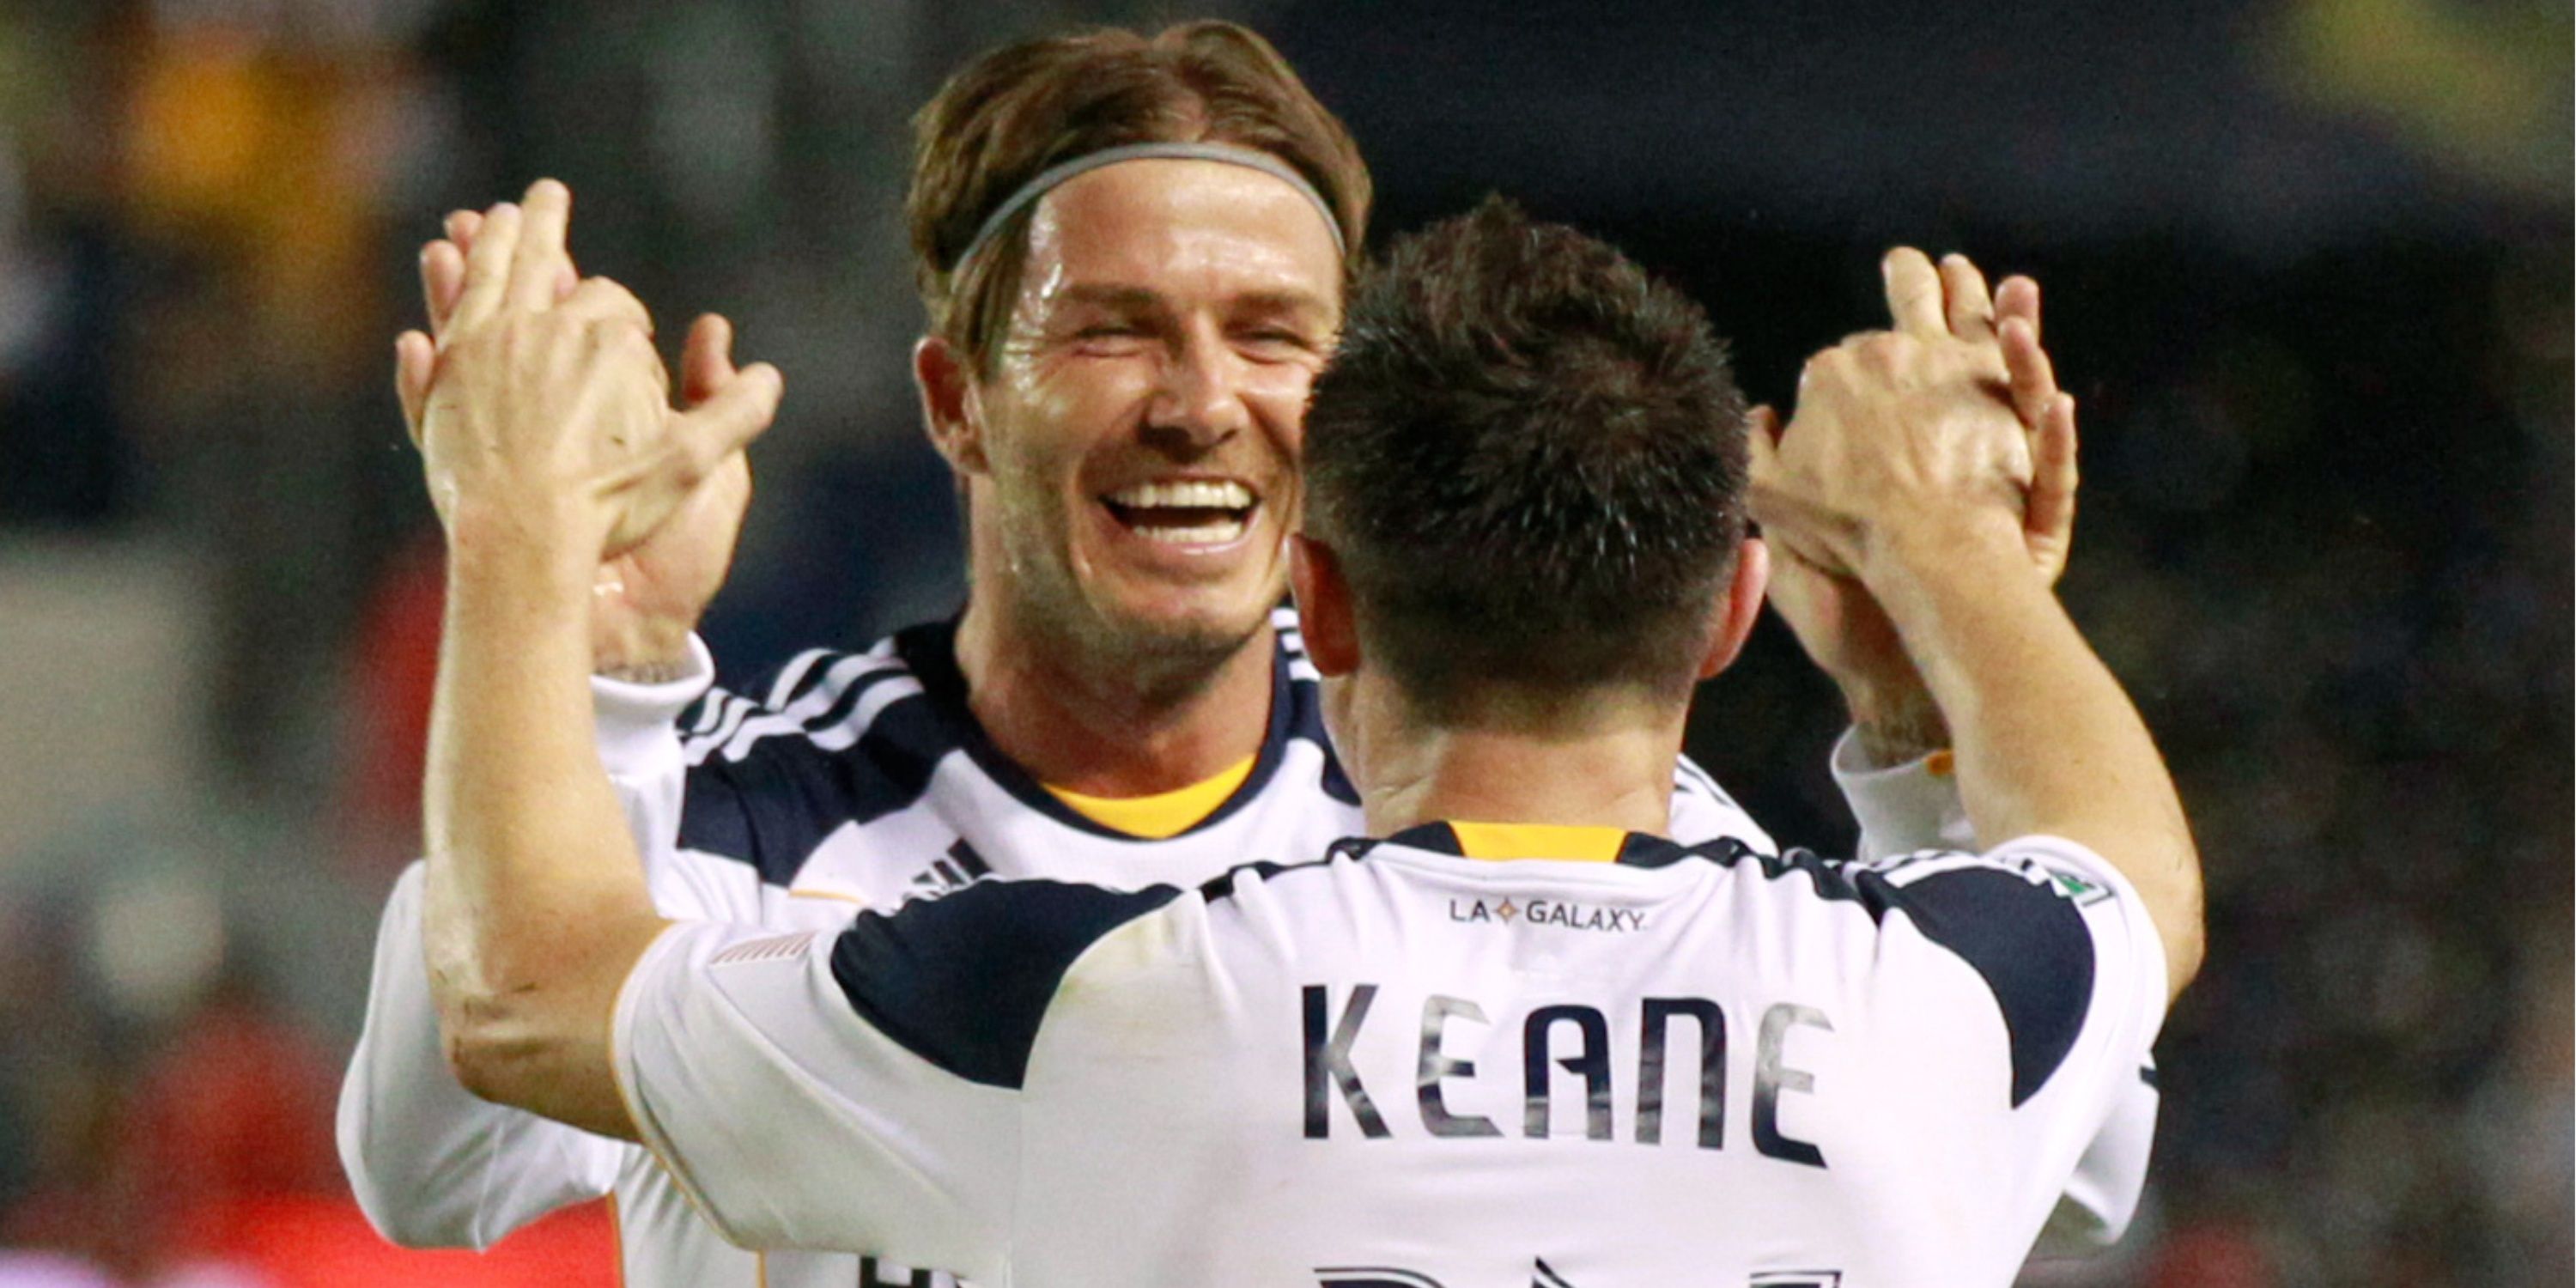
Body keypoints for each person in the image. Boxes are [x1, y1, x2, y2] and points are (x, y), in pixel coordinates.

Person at [339, 22, 2126, 1288]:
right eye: (1115, 331)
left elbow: (2025, 1156)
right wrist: (615, 671)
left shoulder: (1567, 823)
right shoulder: (728, 812)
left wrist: (1910, 729)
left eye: (1274, 335)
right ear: (962, 402)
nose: (1203, 406)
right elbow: (434, 1168)